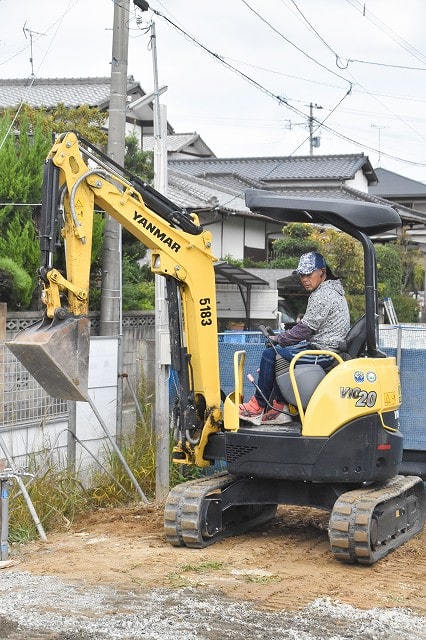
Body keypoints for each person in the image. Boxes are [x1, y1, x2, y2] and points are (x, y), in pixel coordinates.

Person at [239, 251, 350, 425]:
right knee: (278, 356)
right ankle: (280, 408)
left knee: (270, 354)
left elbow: (305, 329)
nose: (305, 279)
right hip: (327, 347)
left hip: (324, 351)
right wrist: (283, 338)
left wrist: (279, 339)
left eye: (309, 273)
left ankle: (257, 407)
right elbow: (308, 326)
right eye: (302, 274)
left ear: (322, 271)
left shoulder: (323, 295)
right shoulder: (332, 291)